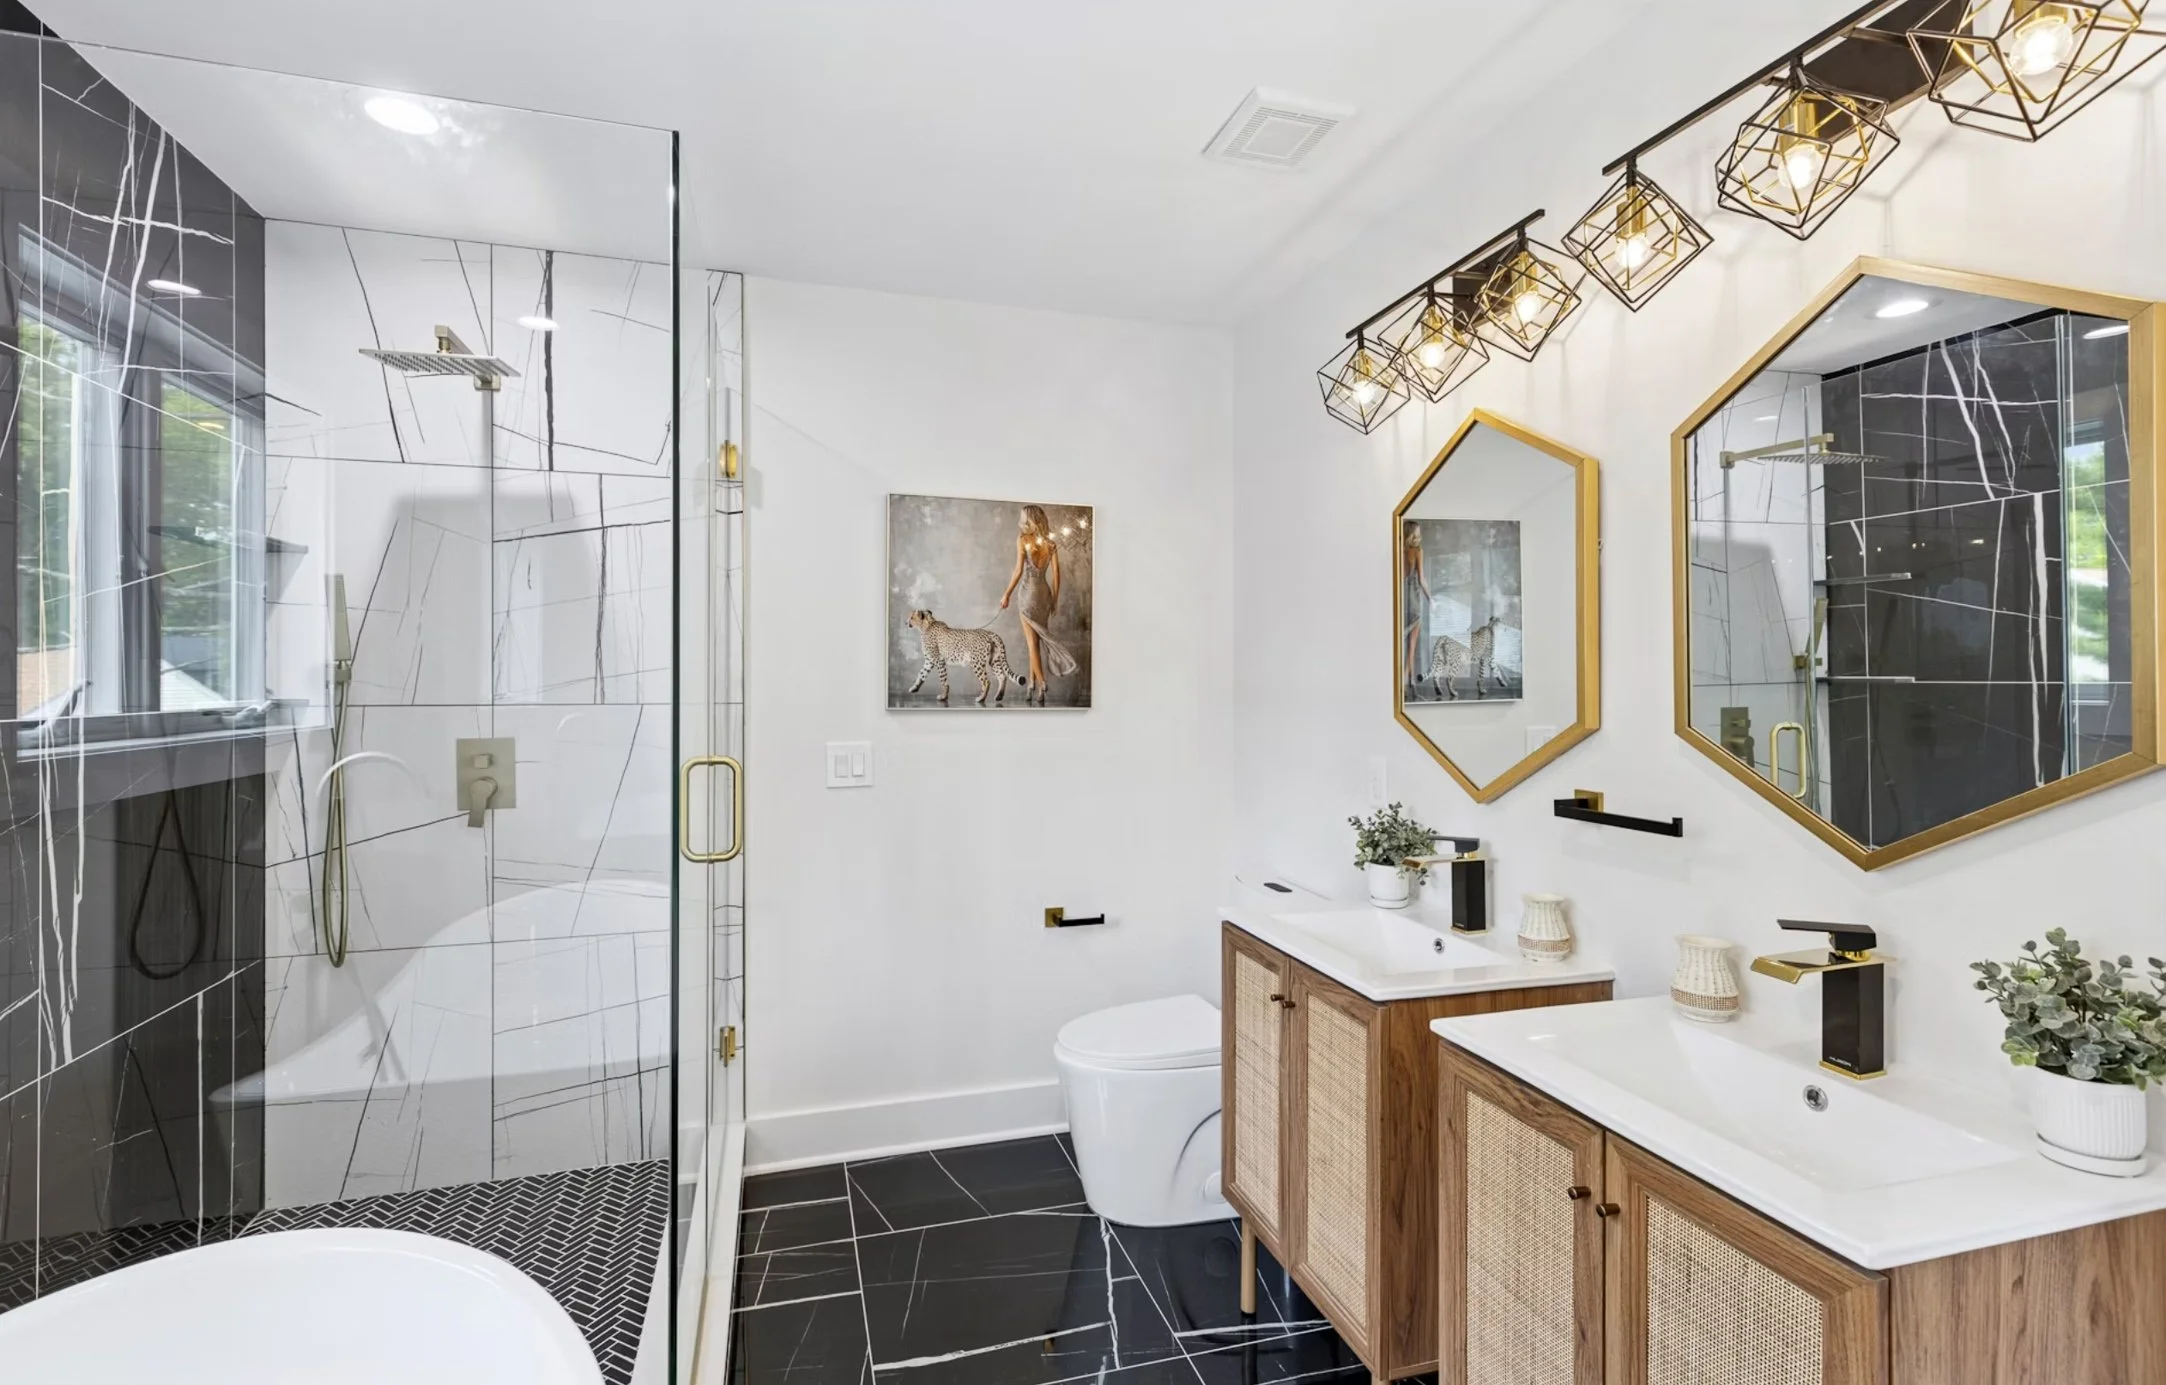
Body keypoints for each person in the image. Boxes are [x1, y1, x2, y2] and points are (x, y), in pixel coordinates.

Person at [999, 504, 1078, 705]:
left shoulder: (1023, 539)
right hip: (1044, 595)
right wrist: (1055, 600)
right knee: (1035, 644)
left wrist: (1006, 594)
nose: (1021, 519)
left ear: (1030, 518)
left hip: (1028, 594)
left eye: (1024, 516)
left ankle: (1042, 683)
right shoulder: (1050, 543)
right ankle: (1031, 686)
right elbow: (1057, 575)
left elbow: (1018, 571)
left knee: (1032, 644)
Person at [1402, 522, 1433, 694]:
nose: (1420, 535)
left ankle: (1412, 680)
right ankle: (1405, 679)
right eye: (1418, 532)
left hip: (1402, 598)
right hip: (1414, 599)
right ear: (1413, 534)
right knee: (1412, 643)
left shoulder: (1400, 551)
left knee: (1405, 640)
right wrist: (1431, 599)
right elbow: (1422, 579)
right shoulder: (1418, 551)